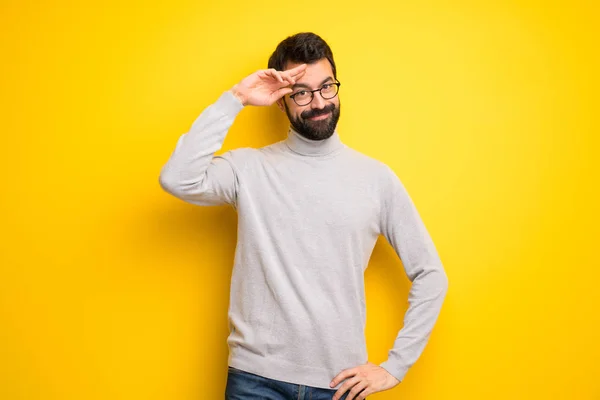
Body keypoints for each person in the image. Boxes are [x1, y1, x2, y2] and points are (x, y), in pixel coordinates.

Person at [159, 32, 449, 400]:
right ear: (281, 102)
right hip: (255, 379)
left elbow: (430, 274)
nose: (319, 102)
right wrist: (235, 99)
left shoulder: (376, 179)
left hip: (339, 384)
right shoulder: (249, 168)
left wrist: (395, 366)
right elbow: (176, 178)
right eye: (302, 93)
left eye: (327, 87)